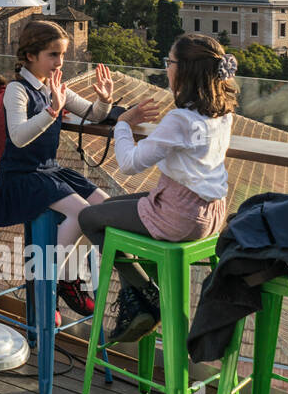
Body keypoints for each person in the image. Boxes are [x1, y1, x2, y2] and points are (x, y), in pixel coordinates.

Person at [80, 34, 236, 343]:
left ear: (186, 70)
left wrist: (123, 123)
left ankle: (147, 294)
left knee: (89, 218)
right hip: (213, 216)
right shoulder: (223, 114)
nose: (167, 68)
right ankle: (139, 300)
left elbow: (129, 164)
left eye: (170, 62)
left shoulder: (180, 119)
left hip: (179, 215)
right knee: (114, 208)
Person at [0, 20, 116, 315]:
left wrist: (104, 99)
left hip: (50, 171)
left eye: (62, 55)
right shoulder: (17, 91)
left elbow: (93, 114)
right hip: (22, 177)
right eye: (53, 55)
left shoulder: (55, 87)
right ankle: (53, 279)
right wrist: (52, 111)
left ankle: (75, 275)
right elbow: (18, 137)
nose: (60, 63)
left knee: (104, 208)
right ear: (31, 55)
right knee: (82, 213)